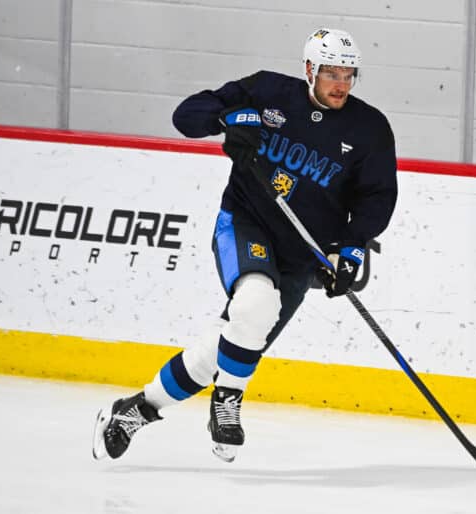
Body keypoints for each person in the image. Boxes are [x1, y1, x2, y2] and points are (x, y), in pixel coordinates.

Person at [91, 27, 398, 463]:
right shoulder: (267, 91)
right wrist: (227, 119)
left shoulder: (369, 129)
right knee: (254, 305)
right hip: (246, 222)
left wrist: (349, 250)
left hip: (301, 255)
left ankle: (136, 410)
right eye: (332, 73)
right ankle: (228, 404)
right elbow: (187, 115)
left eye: (349, 75)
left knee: (234, 343)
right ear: (309, 70)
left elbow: (376, 197)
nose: (341, 84)